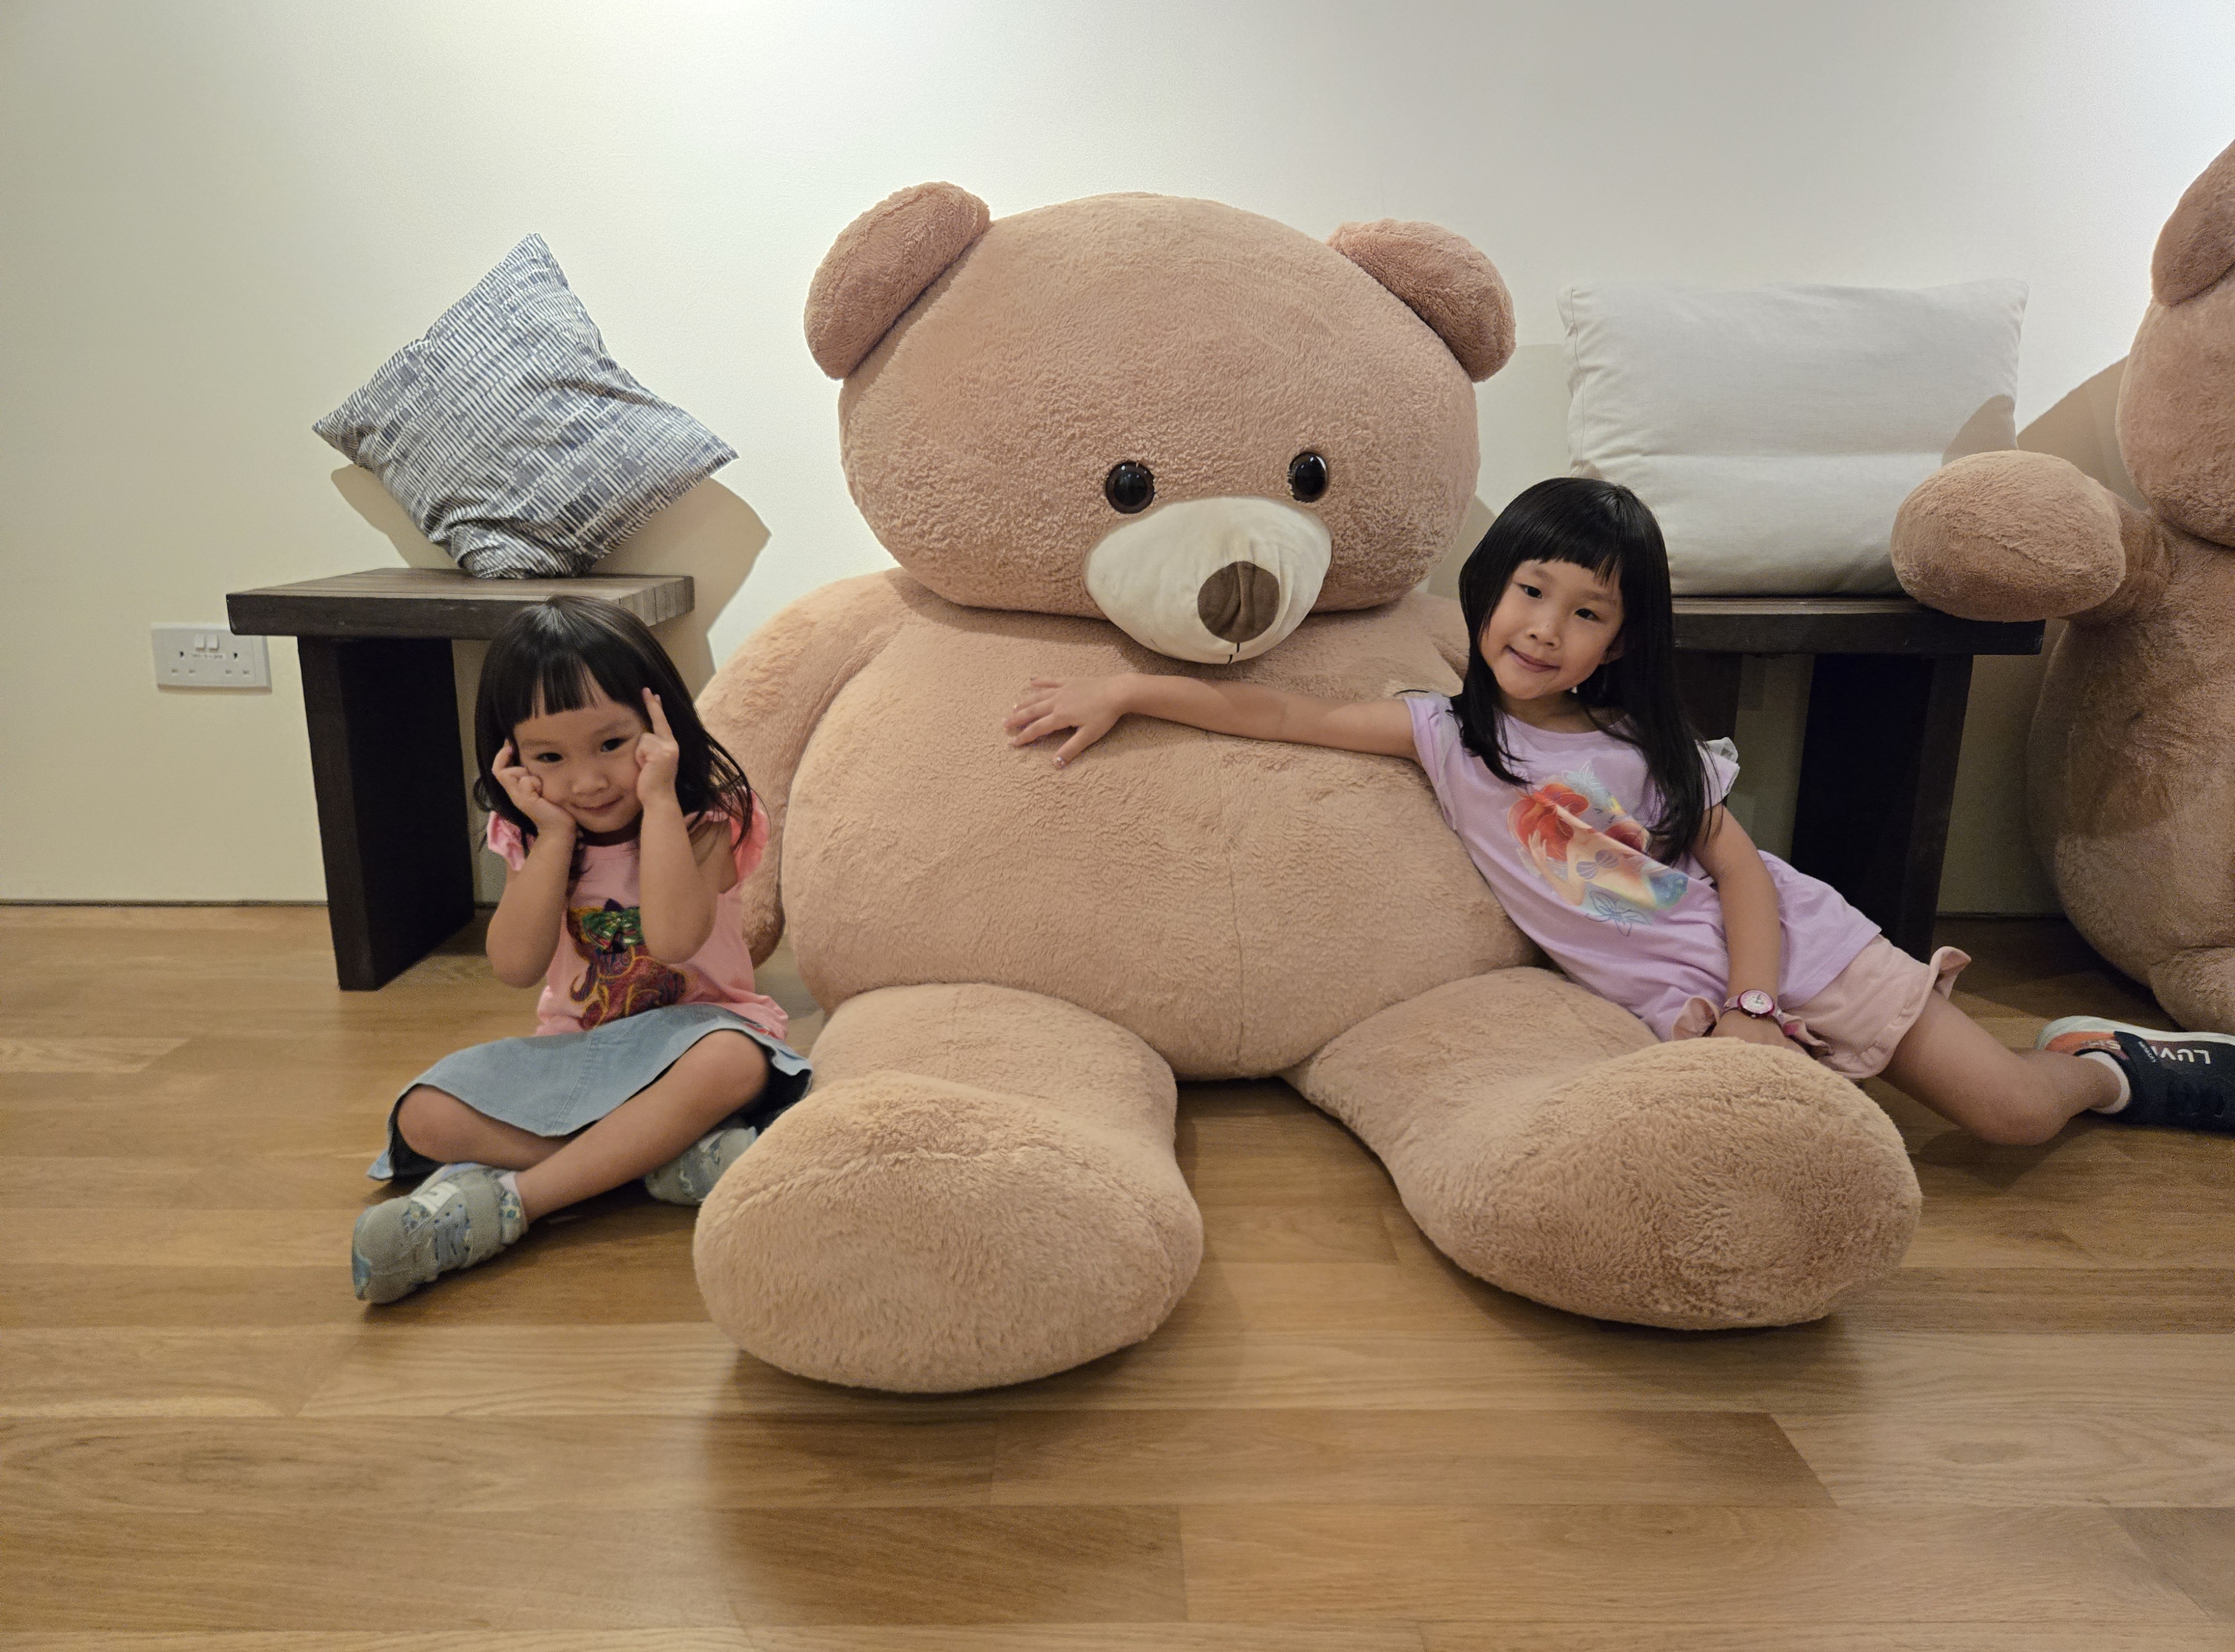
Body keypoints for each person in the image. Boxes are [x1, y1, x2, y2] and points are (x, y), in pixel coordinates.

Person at [1006, 477, 2235, 1145]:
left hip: (1789, 957)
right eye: (1528, 592)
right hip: (1674, 1014)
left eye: (1585, 612)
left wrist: (1757, 1006)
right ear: (1486, 596)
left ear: (1618, 641)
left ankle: (2099, 1064)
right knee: (1783, 1139)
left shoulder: (1645, 751)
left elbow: (1743, 877)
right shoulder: (1443, 735)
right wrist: (1128, 690)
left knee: (2009, 1118)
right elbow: (1280, 714)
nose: (1545, 628)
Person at [351, 596, 811, 1303]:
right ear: (512, 757)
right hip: (581, 1056)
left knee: (732, 1062)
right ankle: (658, 1160)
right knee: (423, 1114)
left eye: (611, 744)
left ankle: (519, 1202)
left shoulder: (709, 817)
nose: (588, 781)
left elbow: (675, 940)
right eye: (550, 757)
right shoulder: (531, 834)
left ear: (659, 724)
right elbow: (514, 967)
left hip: (696, 1038)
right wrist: (556, 838)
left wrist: (660, 801)